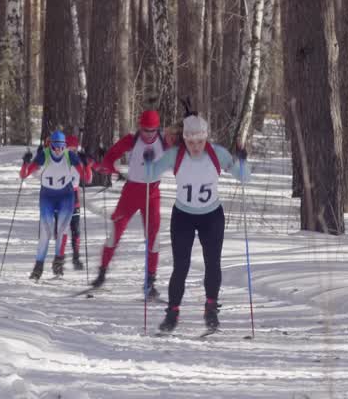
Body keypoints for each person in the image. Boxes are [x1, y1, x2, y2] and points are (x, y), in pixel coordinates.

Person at [133, 114, 249, 333]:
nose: (196, 146)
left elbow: (244, 177)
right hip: (183, 217)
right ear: (184, 139)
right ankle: (173, 312)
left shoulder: (217, 154)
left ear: (206, 138)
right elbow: (149, 176)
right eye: (191, 141)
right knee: (181, 266)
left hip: (212, 216)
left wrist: (242, 161)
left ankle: (211, 308)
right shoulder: (175, 155)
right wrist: (148, 162)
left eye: (200, 141)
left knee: (212, 263)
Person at [89, 109, 175, 298]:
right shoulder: (132, 140)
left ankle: (150, 283)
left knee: (153, 238)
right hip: (131, 192)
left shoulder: (164, 141)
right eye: (145, 130)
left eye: (152, 131)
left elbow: (186, 145)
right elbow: (111, 156)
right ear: (139, 127)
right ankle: (102, 273)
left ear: (157, 129)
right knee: (116, 231)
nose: (148, 135)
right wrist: (110, 167)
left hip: (152, 192)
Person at [20, 130, 91, 280]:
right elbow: (24, 175)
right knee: (45, 232)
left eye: (61, 146)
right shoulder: (44, 155)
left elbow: (87, 178)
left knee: (62, 230)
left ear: (64, 146)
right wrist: (25, 163)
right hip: (47, 196)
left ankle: (58, 262)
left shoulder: (69, 156)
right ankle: (38, 267)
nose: (58, 150)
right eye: (55, 147)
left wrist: (86, 165)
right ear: (50, 145)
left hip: (66, 196)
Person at [55, 134, 86, 273]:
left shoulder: (78, 161)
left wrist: (89, 162)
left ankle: (76, 257)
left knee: (76, 230)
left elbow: (89, 174)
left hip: (74, 198)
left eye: (75, 150)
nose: (72, 153)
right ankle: (59, 261)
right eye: (69, 150)